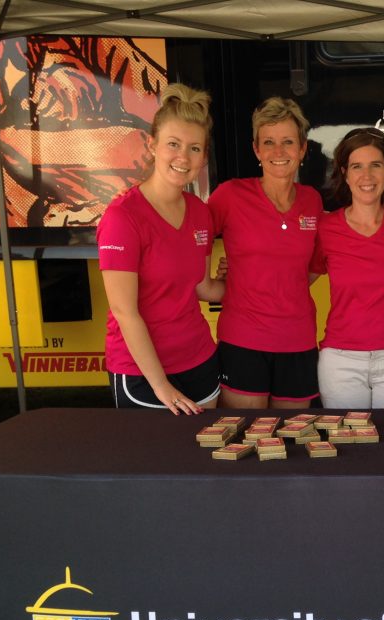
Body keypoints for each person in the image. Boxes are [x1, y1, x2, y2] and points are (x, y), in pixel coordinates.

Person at [99, 83, 223, 414]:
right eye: (173, 144)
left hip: (199, 359)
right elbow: (125, 311)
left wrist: (246, 280)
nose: (183, 157)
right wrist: (160, 385)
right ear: (152, 145)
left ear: (204, 156)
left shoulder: (199, 211)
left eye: (195, 148)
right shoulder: (123, 217)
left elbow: (202, 287)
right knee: (158, 462)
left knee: (206, 457)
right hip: (143, 372)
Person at [207, 97, 321, 410]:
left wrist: (271, 279)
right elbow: (191, 236)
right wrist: (213, 282)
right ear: (256, 149)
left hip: (297, 340)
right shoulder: (230, 195)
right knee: (246, 439)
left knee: (292, 441)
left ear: (302, 149)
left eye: (287, 142)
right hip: (243, 339)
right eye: (268, 142)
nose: (278, 152)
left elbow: (310, 268)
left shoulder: (313, 201)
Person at [310, 127, 384, 408]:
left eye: (375, 165)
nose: (366, 176)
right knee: (348, 448)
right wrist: (239, 270)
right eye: (357, 166)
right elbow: (296, 279)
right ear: (345, 173)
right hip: (340, 360)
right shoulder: (326, 227)